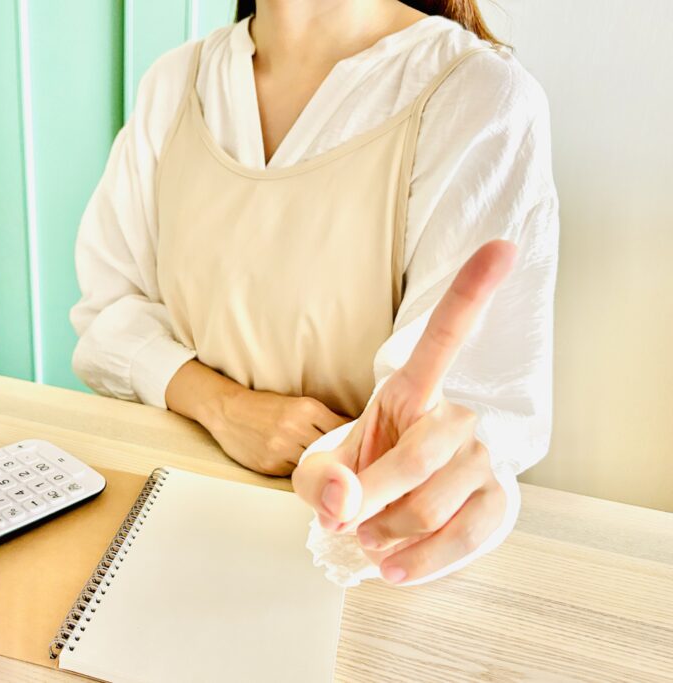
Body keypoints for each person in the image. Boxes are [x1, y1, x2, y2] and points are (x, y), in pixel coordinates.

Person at [70, 0, 559, 585]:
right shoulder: (177, 81)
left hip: (353, 559)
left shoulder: (475, 97)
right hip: (167, 522)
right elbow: (108, 316)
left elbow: (460, 426)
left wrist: (376, 470)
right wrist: (224, 407)